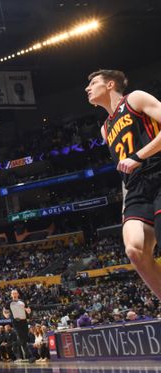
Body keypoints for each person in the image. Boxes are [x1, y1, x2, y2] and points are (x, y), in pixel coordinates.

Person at [85, 69, 161, 300]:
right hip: (135, 190)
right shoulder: (105, 129)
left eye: (93, 83)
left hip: (158, 174)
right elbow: (123, 168)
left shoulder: (135, 99)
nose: (87, 88)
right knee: (134, 250)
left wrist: (138, 156)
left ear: (109, 85)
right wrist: (125, 207)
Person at [2, 289, 32, 362]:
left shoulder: (22, 301)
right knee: (22, 338)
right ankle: (29, 357)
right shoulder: (9, 303)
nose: (14, 295)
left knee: (25, 338)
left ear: (18, 294)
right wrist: (6, 315)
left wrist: (28, 311)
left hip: (24, 321)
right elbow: (4, 311)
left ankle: (15, 345)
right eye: (13, 294)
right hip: (16, 322)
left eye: (16, 293)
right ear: (11, 295)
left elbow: (28, 309)